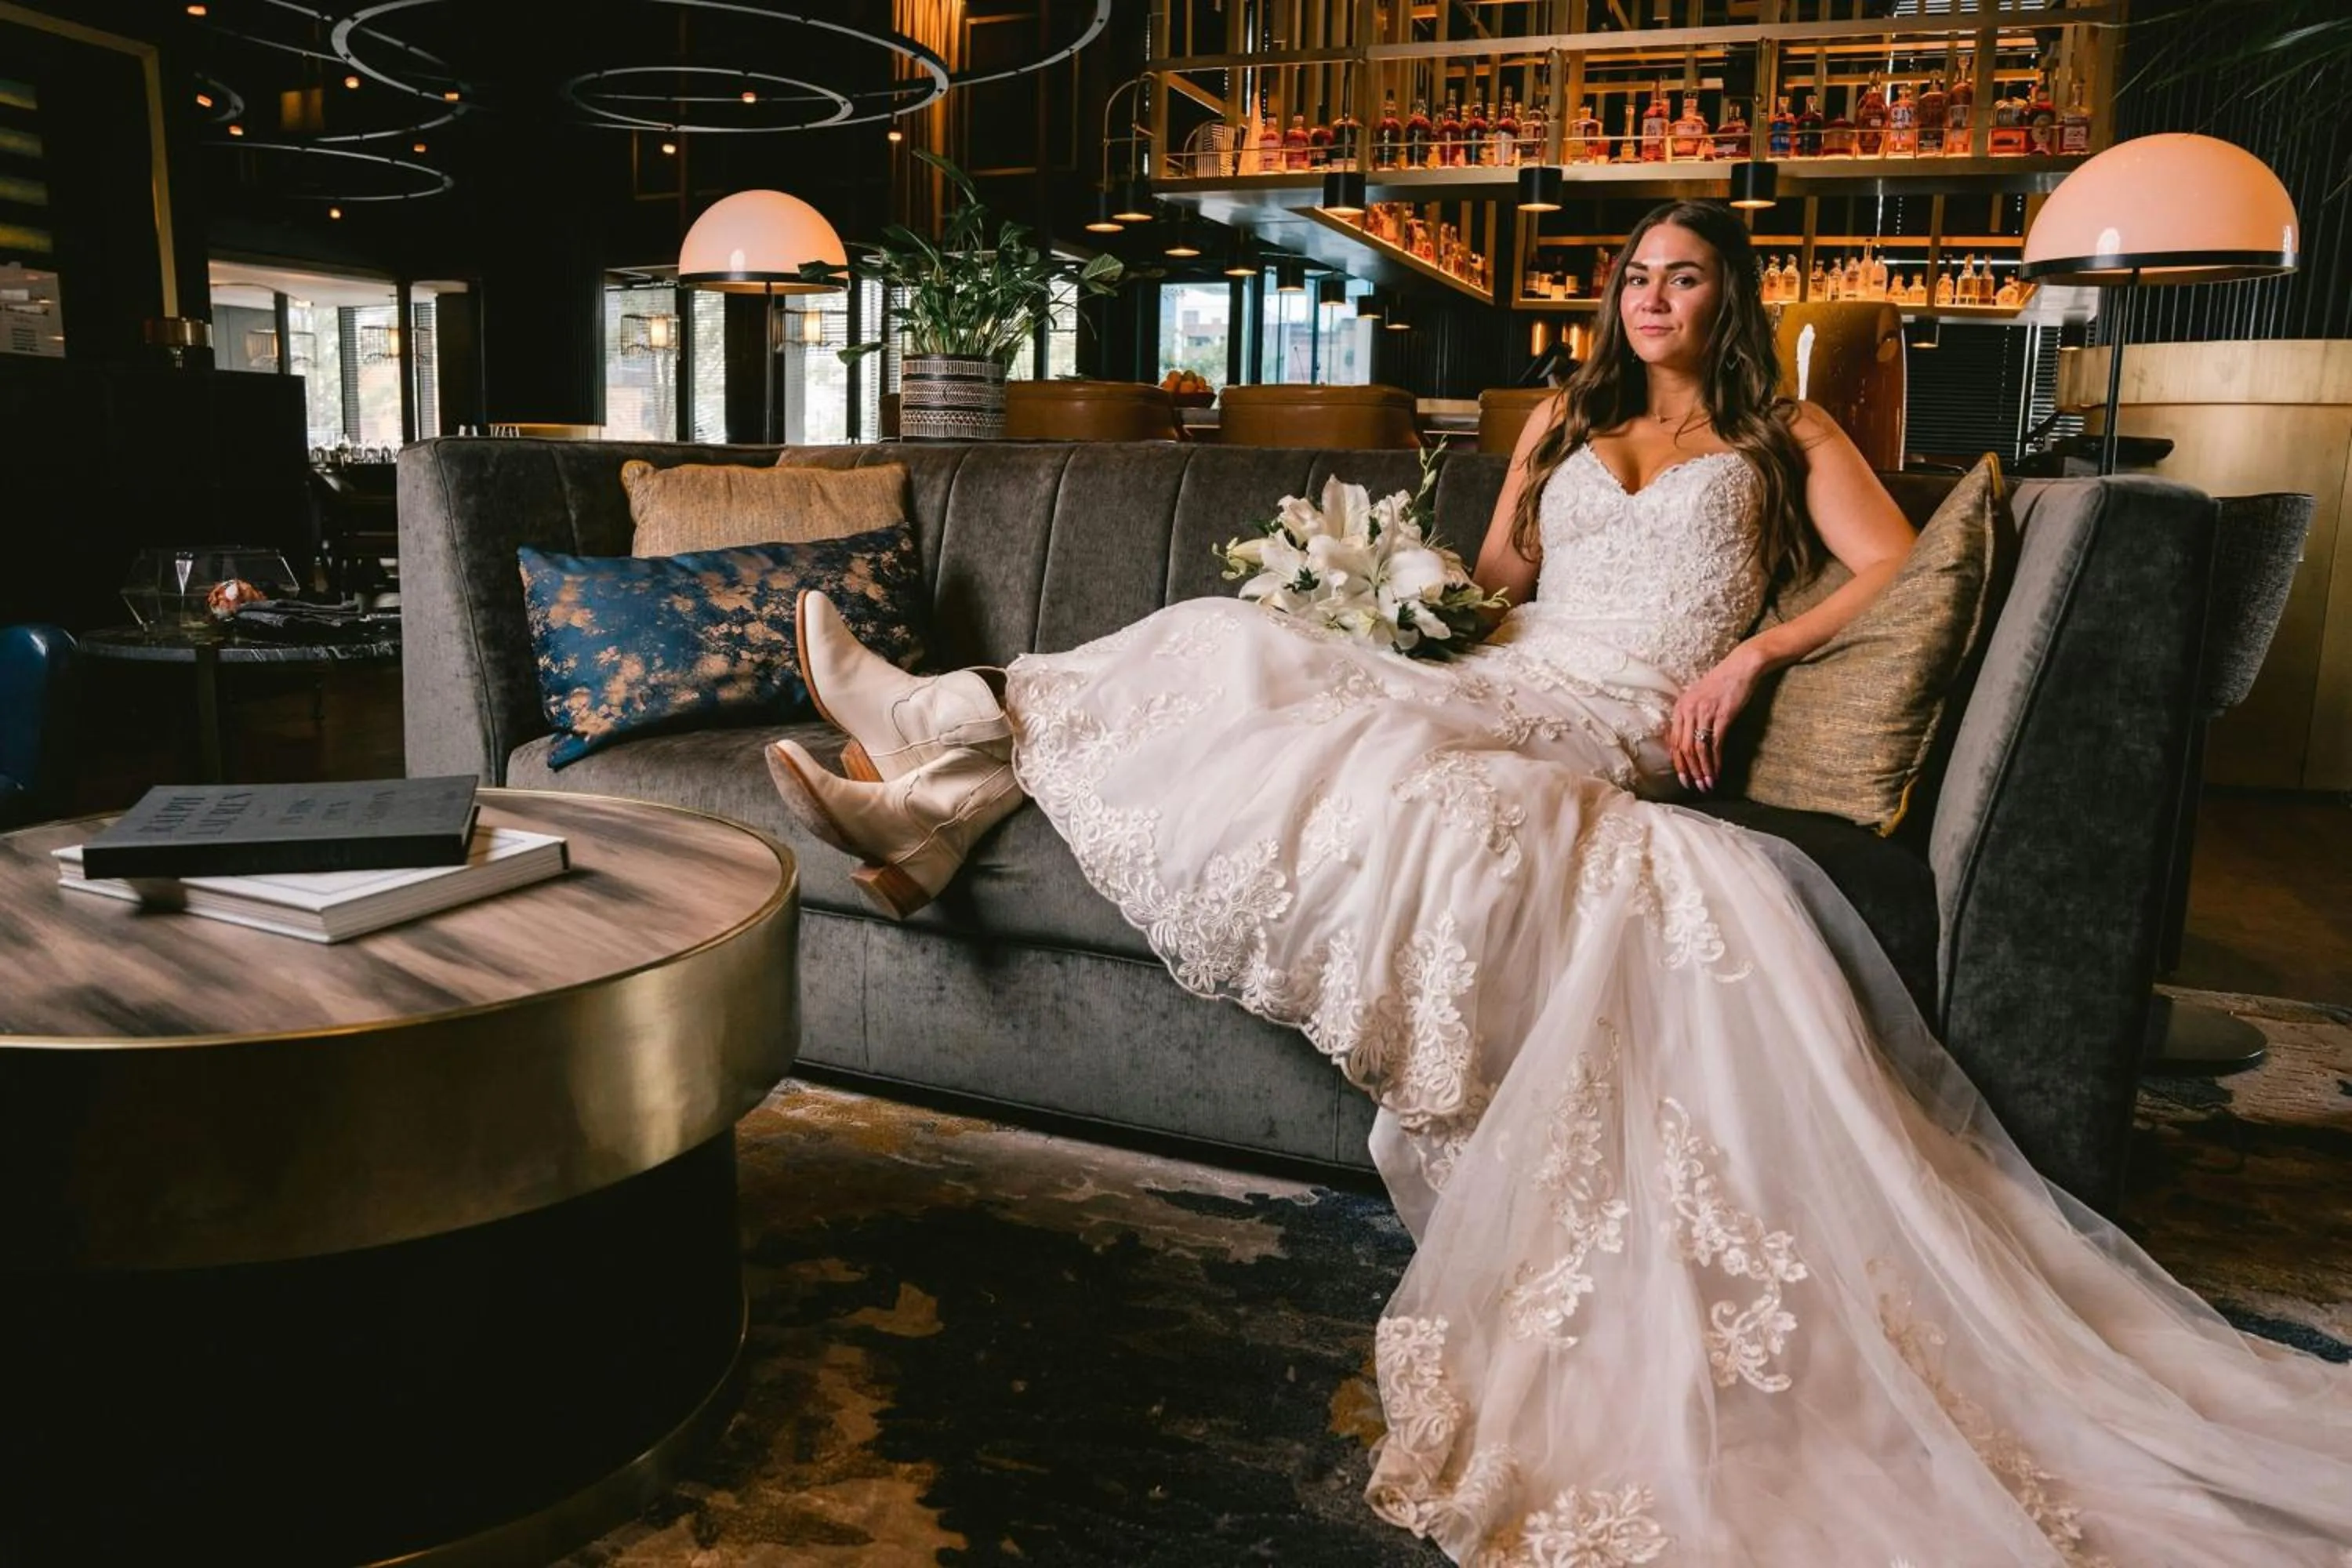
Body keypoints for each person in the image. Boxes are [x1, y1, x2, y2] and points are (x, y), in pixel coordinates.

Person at [768, 201, 2352, 1563]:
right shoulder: (1560, 415)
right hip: (1509, 660)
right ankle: (941, 741)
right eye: (1636, 277)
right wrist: (1457, 551)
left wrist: (1752, 649)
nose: (1651, 299)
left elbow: (1886, 562)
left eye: (1683, 276)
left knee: (1394, 779)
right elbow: (1506, 590)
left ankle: (934, 773)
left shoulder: (1780, 433)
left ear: (1728, 296)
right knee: (1226, 638)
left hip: (1618, 710)